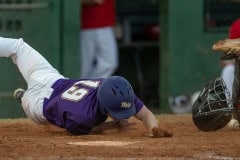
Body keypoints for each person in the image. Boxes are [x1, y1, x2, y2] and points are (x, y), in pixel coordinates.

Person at [0, 37, 169, 137]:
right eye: (114, 111)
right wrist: (108, 126)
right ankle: (23, 98)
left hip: (46, 92)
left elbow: (145, 114)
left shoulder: (118, 89)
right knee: (18, 47)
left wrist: (154, 129)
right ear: (103, 104)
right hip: (45, 93)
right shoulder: (83, 116)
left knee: (18, 48)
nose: (119, 116)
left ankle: (24, 97)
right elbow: (59, 129)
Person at [80, 0, 118, 78]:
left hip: (106, 24)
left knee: (110, 64)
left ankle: (88, 86)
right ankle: (82, 86)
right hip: (87, 24)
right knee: (83, 67)